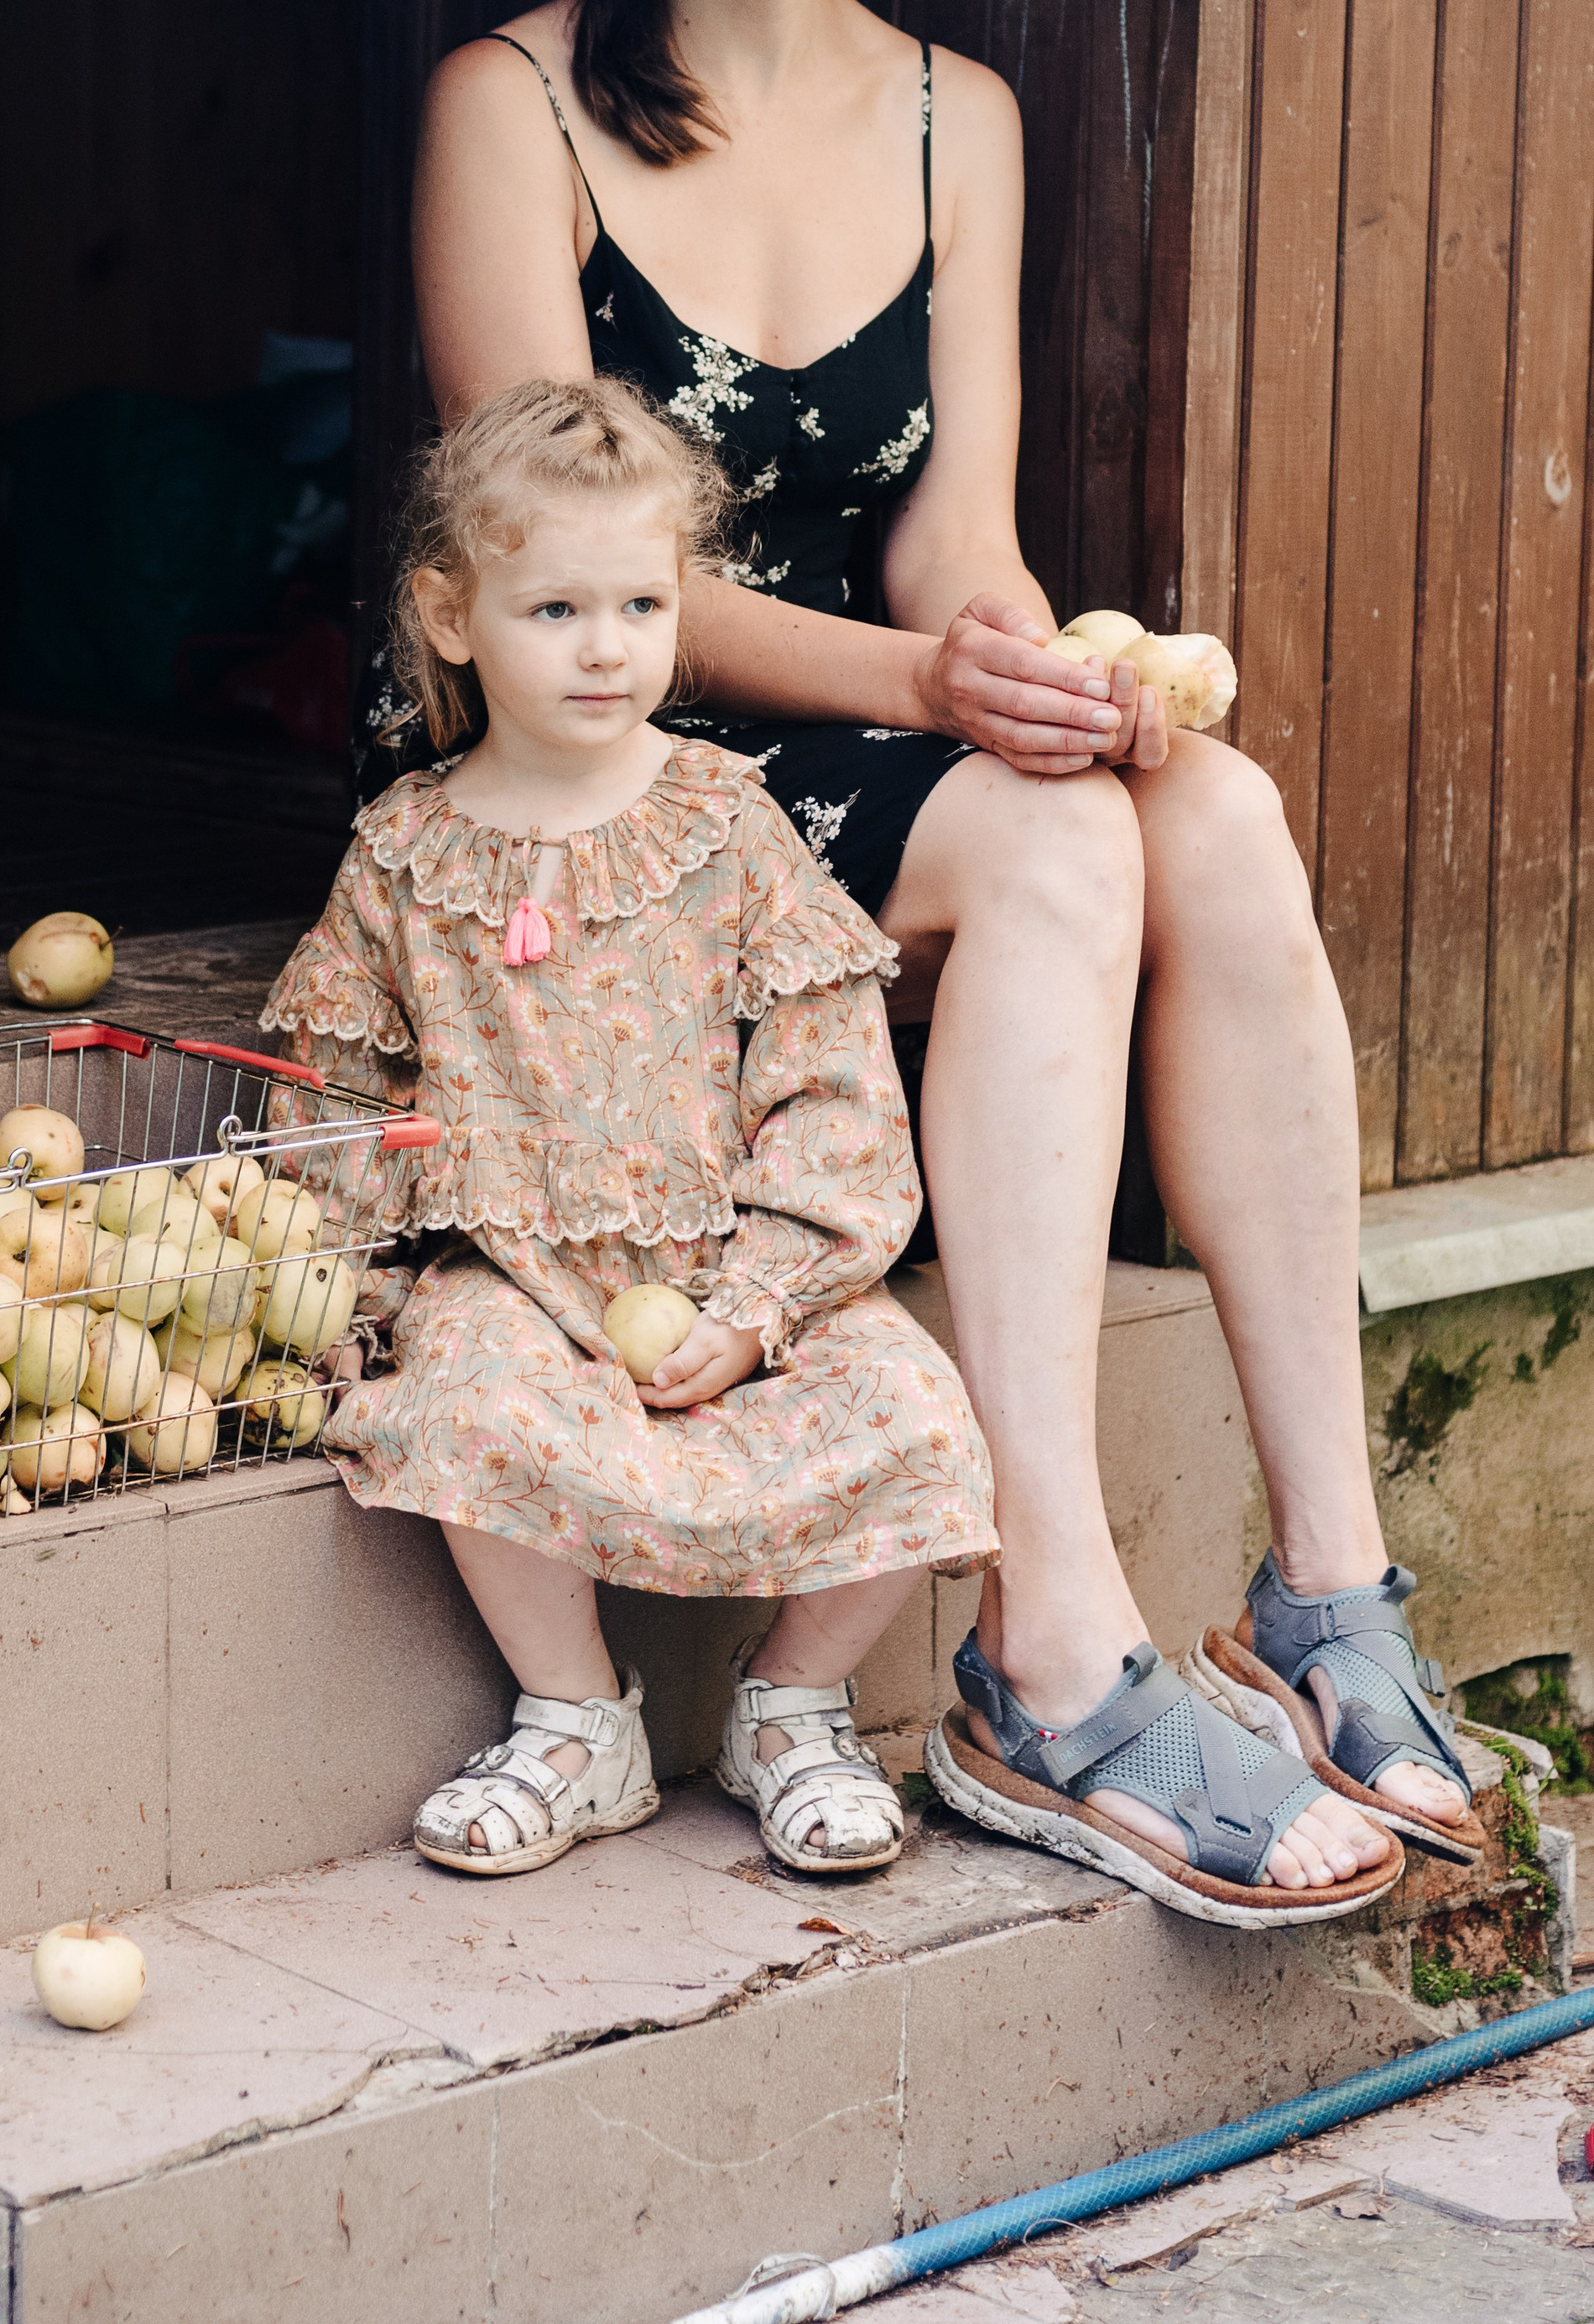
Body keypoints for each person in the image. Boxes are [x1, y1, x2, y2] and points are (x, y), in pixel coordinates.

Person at [365, 0, 1475, 1906]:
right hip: (602, 776)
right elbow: (555, 558)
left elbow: (948, 532)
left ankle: (1327, 1587)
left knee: (1223, 812)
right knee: (1062, 869)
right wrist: (948, 704)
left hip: (866, 725)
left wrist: (1051, 669)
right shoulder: (519, 101)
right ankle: (1046, 1650)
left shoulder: (965, 115)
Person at [271, 381, 1399, 1924]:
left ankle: (789, 1705)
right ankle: (575, 1715)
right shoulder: (403, 852)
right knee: (462, 1403)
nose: (607, 647)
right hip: (515, 1270)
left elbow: (830, 1086)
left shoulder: (733, 829)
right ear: (450, 616)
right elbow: (342, 1074)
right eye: (554, 608)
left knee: (927, 1422)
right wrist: (364, 1267)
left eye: (642, 604)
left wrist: (758, 1300)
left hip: (728, 1260)